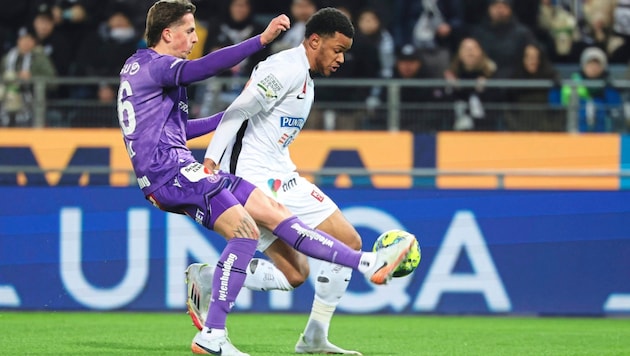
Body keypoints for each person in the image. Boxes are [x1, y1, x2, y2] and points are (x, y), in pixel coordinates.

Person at [118, 2, 413, 355]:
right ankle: (366, 263)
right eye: (190, 31)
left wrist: (227, 117)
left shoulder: (140, 67)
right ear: (168, 33)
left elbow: (181, 129)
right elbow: (205, 69)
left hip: (180, 168)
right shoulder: (165, 66)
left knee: (290, 268)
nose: (196, 38)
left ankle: (215, 312)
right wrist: (260, 40)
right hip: (184, 171)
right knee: (280, 227)